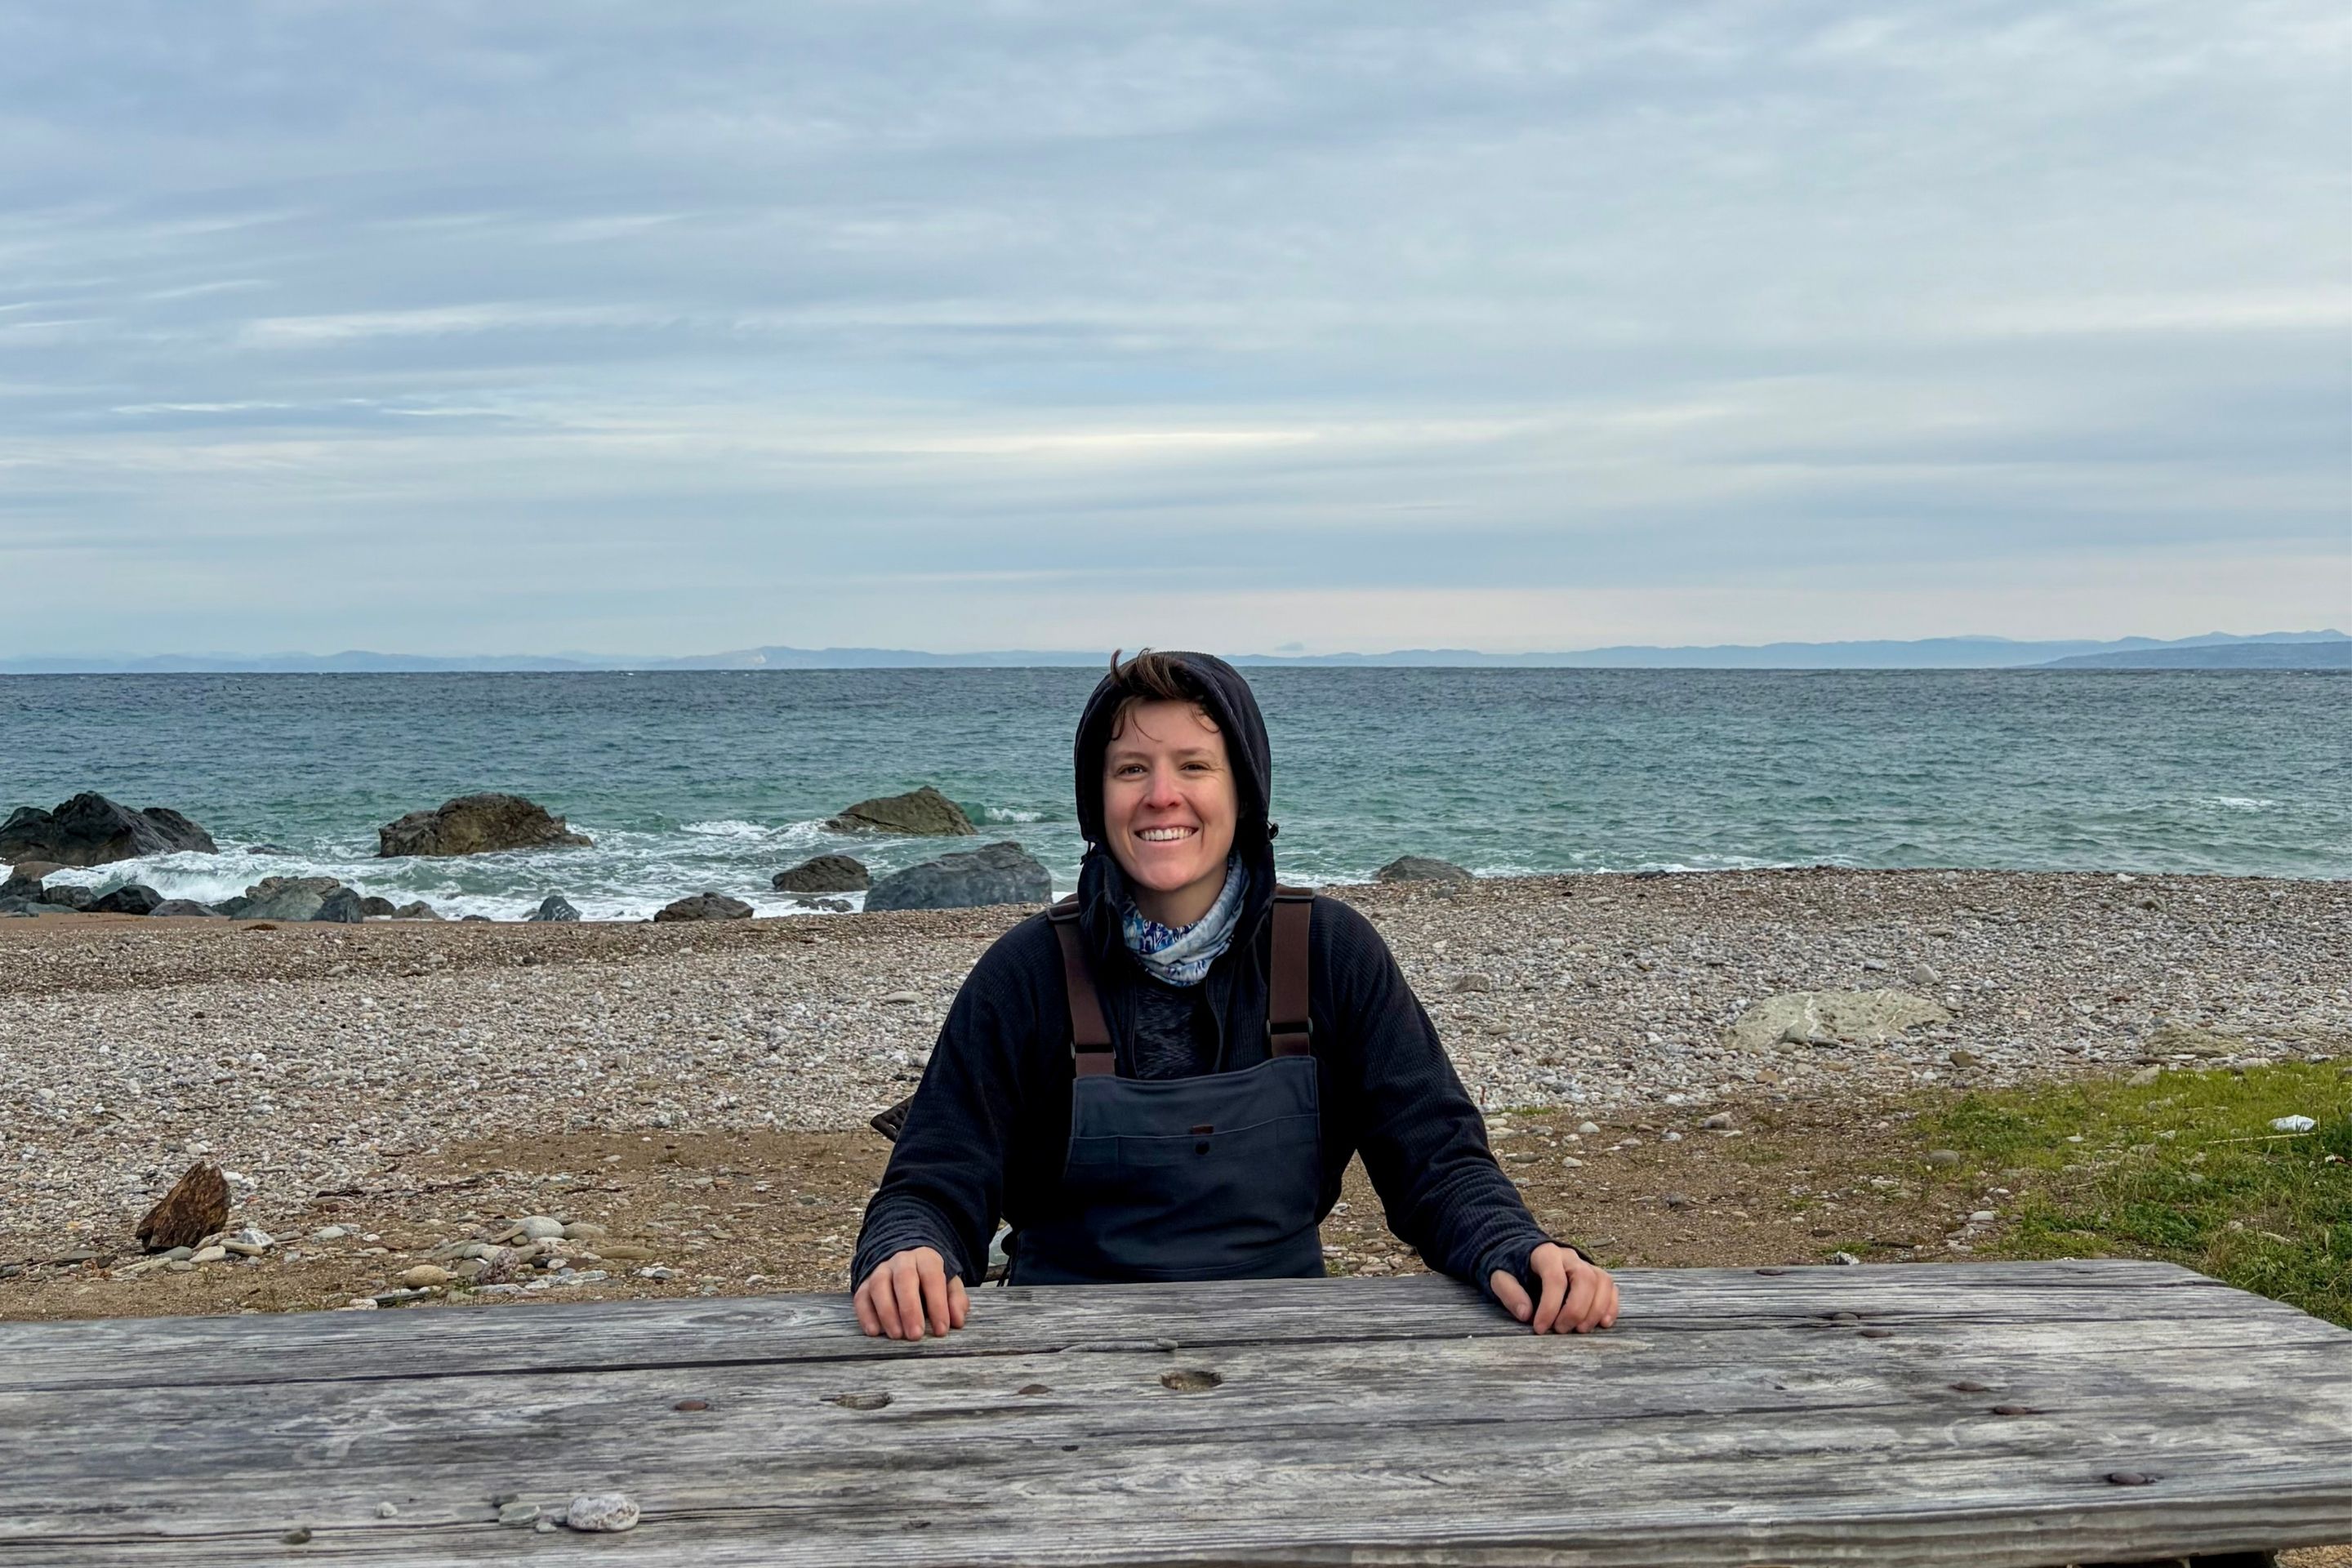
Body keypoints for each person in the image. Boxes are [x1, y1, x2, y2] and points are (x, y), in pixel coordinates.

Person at [851, 649, 1619, 1340]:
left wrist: (1515, 1246)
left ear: (1243, 791)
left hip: (1283, 1346)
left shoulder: (1329, 951)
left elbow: (1437, 1160)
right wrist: (908, 1249)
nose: (1161, 796)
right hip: (1059, 1351)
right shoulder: (1026, 972)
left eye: (1194, 766)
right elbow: (934, 1178)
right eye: (1130, 770)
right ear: (1097, 801)